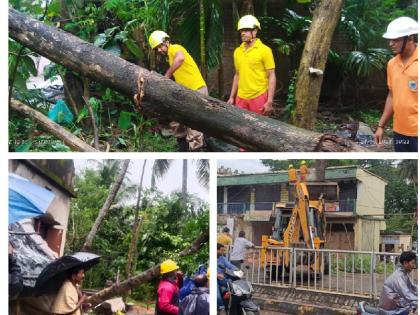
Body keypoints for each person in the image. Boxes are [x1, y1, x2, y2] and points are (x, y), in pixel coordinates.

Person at [148, 30, 208, 151]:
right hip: (186, 92)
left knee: (193, 124)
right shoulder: (170, 57)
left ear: (166, 41)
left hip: (197, 89)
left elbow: (180, 58)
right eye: (156, 49)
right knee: (177, 121)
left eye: (160, 46)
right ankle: (183, 147)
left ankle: (197, 150)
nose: (159, 50)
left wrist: (167, 75)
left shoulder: (175, 48)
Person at [374, 17, 418, 152]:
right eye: (390, 40)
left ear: (410, 38)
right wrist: (381, 126)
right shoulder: (392, 64)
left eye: (396, 40)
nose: (391, 44)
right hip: (399, 131)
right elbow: (392, 96)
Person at [227, 15, 276, 116]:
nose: (243, 33)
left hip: (259, 96)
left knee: (259, 128)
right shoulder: (237, 51)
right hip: (240, 98)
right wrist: (232, 97)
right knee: (240, 128)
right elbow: (237, 75)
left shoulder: (265, 50)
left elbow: (271, 75)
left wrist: (270, 101)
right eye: (241, 31)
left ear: (255, 31)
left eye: (246, 30)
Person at [217, 243, 238, 314]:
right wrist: (216, 275)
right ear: (216, 250)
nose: (223, 252)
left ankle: (232, 303)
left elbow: (230, 265)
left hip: (222, 279)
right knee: (216, 290)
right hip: (213, 280)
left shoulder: (222, 258)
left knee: (232, 283)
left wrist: (238, 270)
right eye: (221, 250)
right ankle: (221, 308)